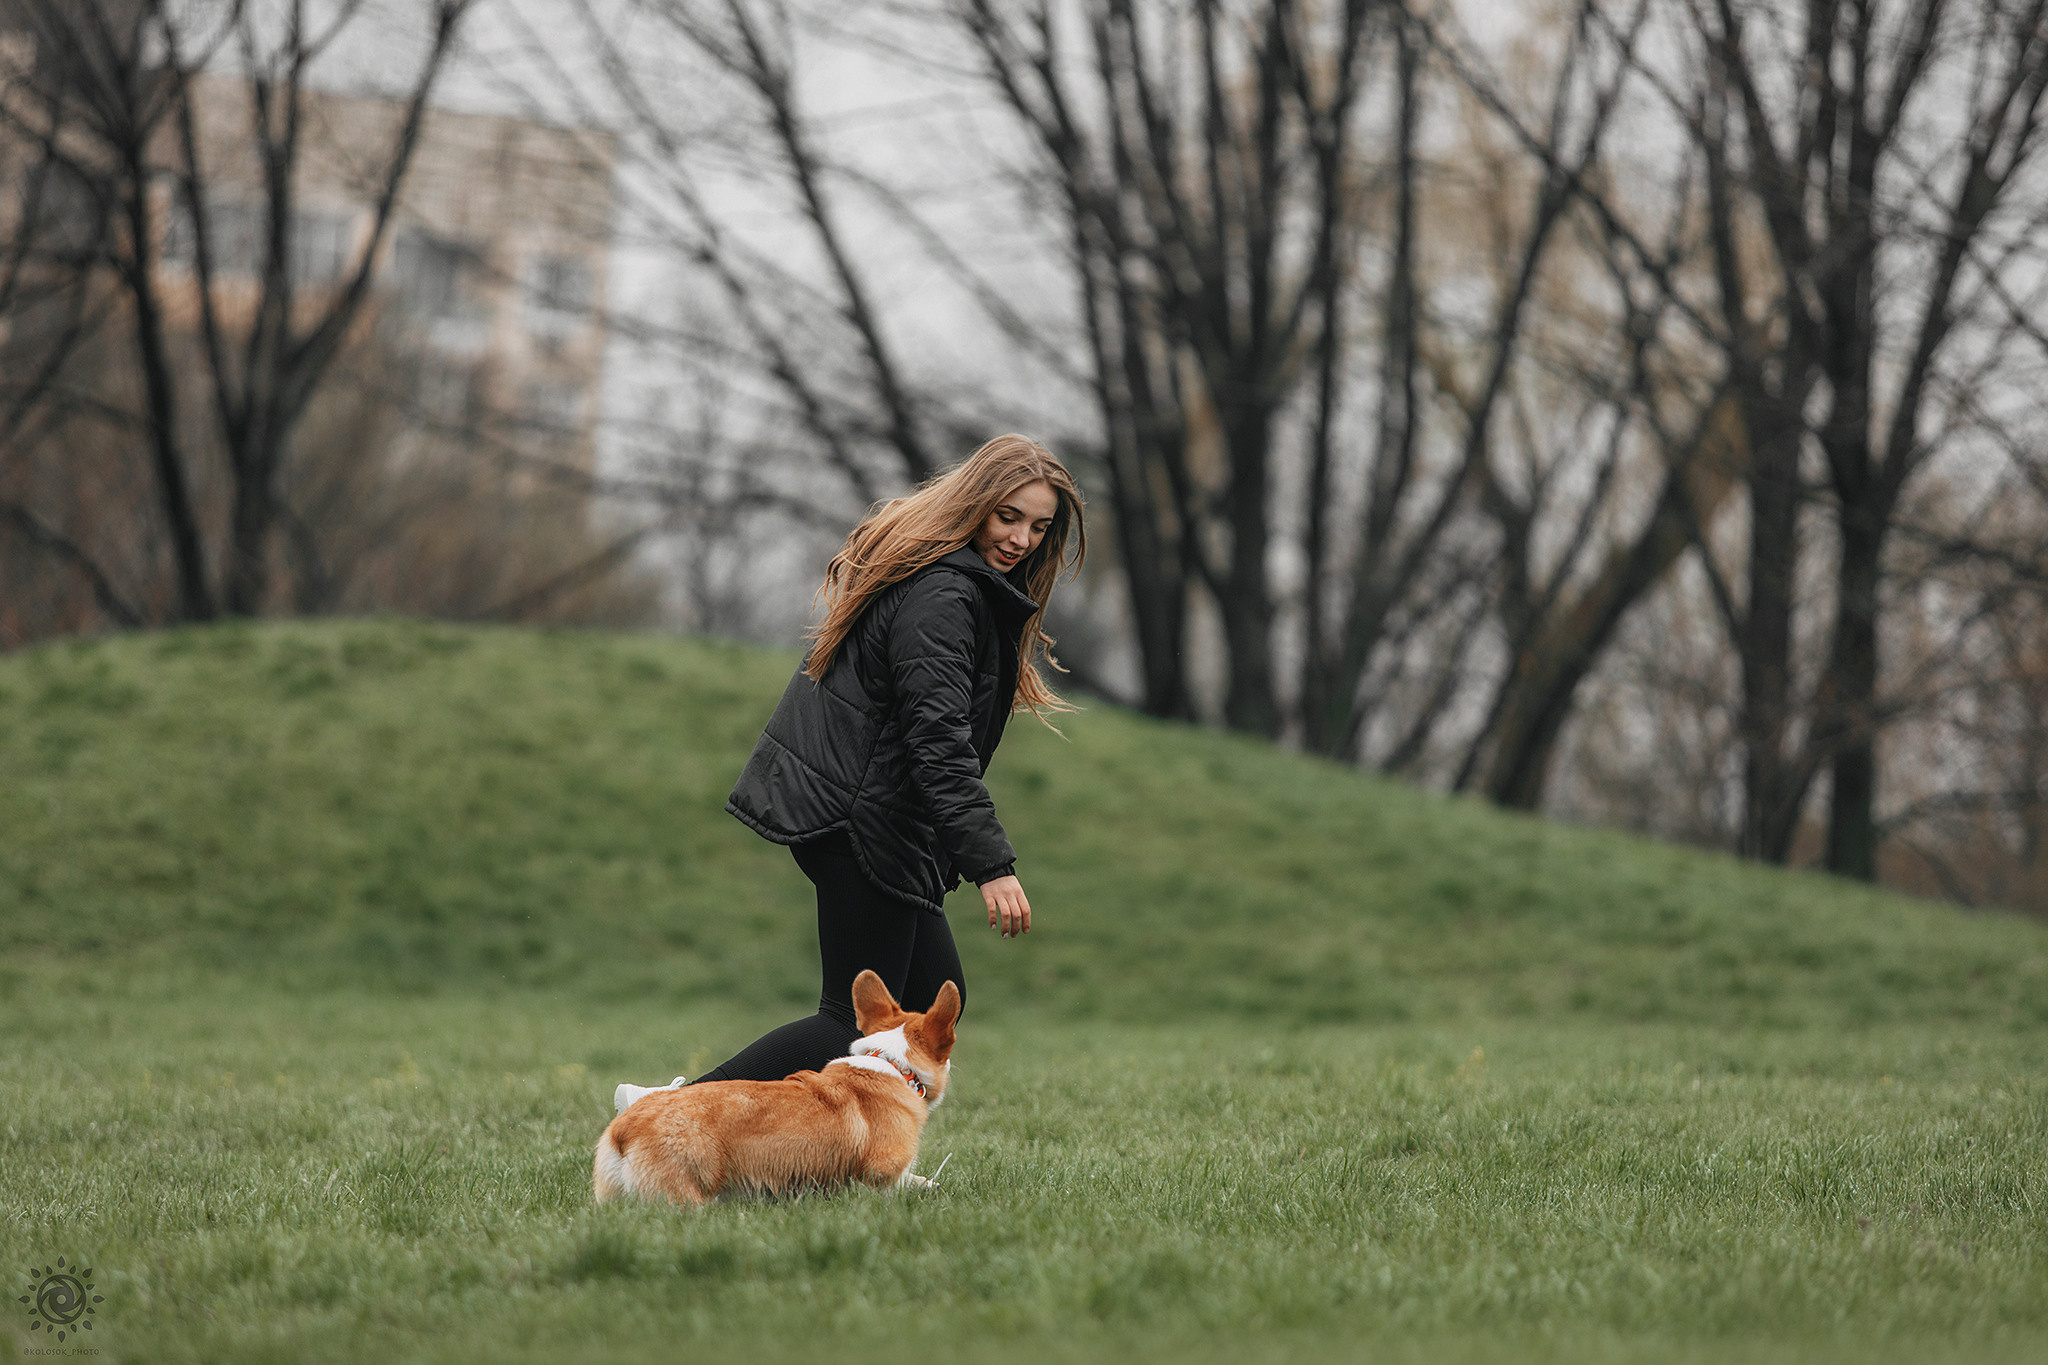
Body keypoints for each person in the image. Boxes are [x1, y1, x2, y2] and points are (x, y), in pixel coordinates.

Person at [688, 434, 1086, 1086]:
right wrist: (991, 865)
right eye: (1008, 516)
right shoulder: (945, 597)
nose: (1020, 539)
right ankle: (669, 1117)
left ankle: (869, 1152)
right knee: (848, 1022)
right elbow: (938, 743)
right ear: (976, 502)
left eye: (1039, 527)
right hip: (856, 817)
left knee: (934, 1002)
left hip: (876, 815)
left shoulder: (962, 587)